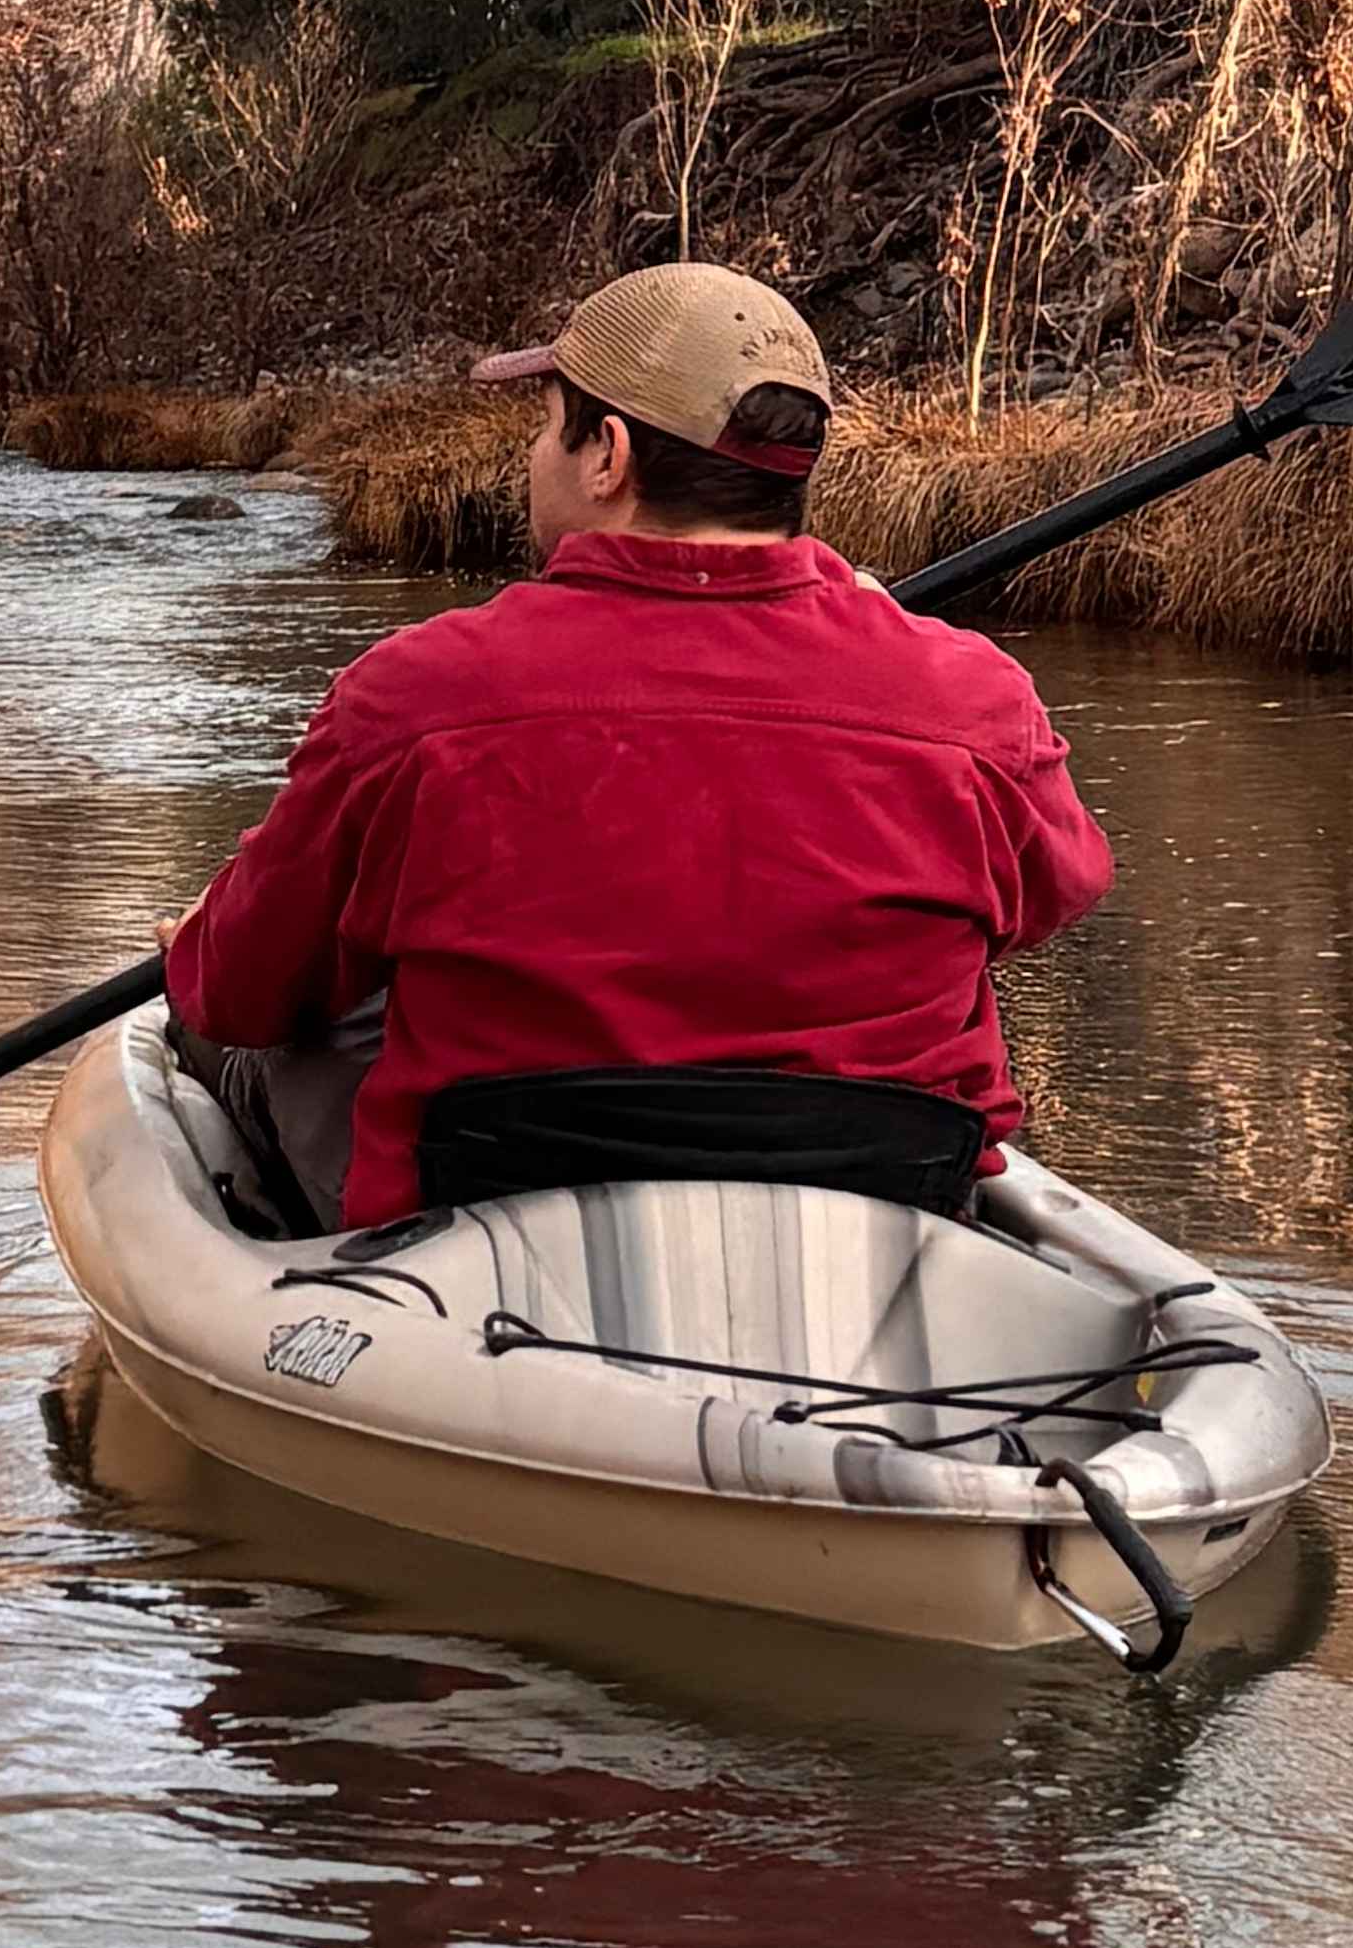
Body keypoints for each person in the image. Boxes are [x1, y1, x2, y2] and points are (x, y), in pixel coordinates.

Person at [163, 262, 1113, 1238]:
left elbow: (237, 992)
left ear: (607, 452)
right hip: (873, 1225)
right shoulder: (974, 696)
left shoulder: (412, 695)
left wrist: (207, 933)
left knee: (255, 1014)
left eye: (546, 423)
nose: (533, 454)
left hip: (490, 1246)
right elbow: (1057, 890)